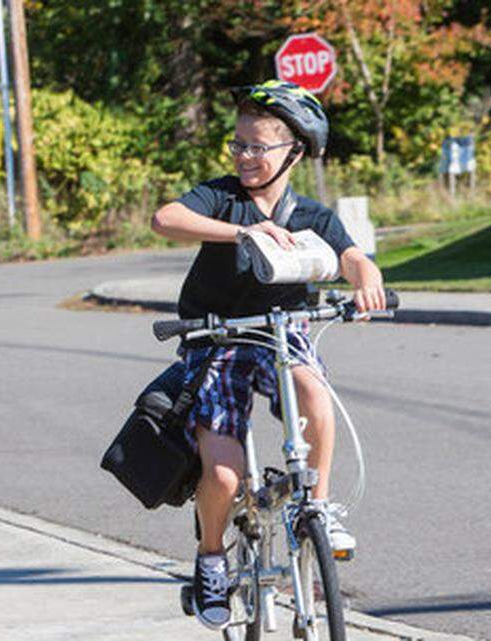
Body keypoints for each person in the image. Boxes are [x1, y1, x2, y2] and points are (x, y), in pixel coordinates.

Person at [150, 80, 386, 631]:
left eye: (258, 147)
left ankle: (316, 507)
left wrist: (367, 278)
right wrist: (244, 232)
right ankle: (210, 558)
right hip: (219, 340)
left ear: (293, 153)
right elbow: (166, 219)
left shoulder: (310, 214)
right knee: (227, 478)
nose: (245, 156)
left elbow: (351, 257)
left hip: (281, 335)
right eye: (238, 145)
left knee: (312, 389)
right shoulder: (222, 198)